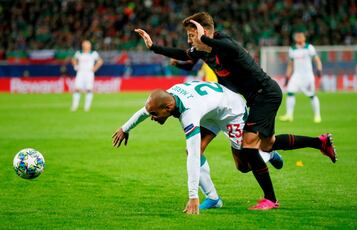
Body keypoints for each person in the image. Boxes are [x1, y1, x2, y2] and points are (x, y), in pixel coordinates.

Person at [134, 12, 337, 210]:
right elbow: (184, 55)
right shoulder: (202, 51)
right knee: (267, 144)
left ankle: (270, 199)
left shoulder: (227, 45)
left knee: (249, 146)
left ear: (203, 31)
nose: (189, 40)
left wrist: (204, 37)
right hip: (251, 99)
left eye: (191, 35)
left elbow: (221, 45)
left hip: (265, 94)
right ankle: (319, 142)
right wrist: (154, 48)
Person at [112, 81, 283, 214]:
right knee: (194, 149)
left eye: (155, 114)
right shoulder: (167, 97)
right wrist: (124, 128)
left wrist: (192, 196)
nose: (152, 118)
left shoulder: (189, 113)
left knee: (244, 166)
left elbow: (193, 157)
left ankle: (267, 154)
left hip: (232, 112)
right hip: (210, 112)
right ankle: (213, 198)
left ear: (168, 108)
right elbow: (145, 111)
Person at [279, 31, 323, 123]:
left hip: (308, 76)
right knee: (290, 92)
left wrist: (319, 69)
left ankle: (317, 116)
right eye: (297, 36)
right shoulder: (292, 49)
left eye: (300, 36)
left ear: (304, 38)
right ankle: (289, 115)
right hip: (297, 76)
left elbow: (317, 60)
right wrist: (287, 77)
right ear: (295, 38)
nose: (299, 38)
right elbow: (290, 64)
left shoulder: (309, 47)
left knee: (312, 95)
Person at [71, 40, 103, 112]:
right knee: (77, 89)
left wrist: (95, 68)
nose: (86, 46)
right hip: (80, 73)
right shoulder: (79, 53)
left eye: (87, 45)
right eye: (85, 45)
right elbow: (73, 59)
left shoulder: (93, 54)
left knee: (89, 89)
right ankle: (74, 107)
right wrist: (76, 65)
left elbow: (100, 61)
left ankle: (87, 108)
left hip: (89, 73)